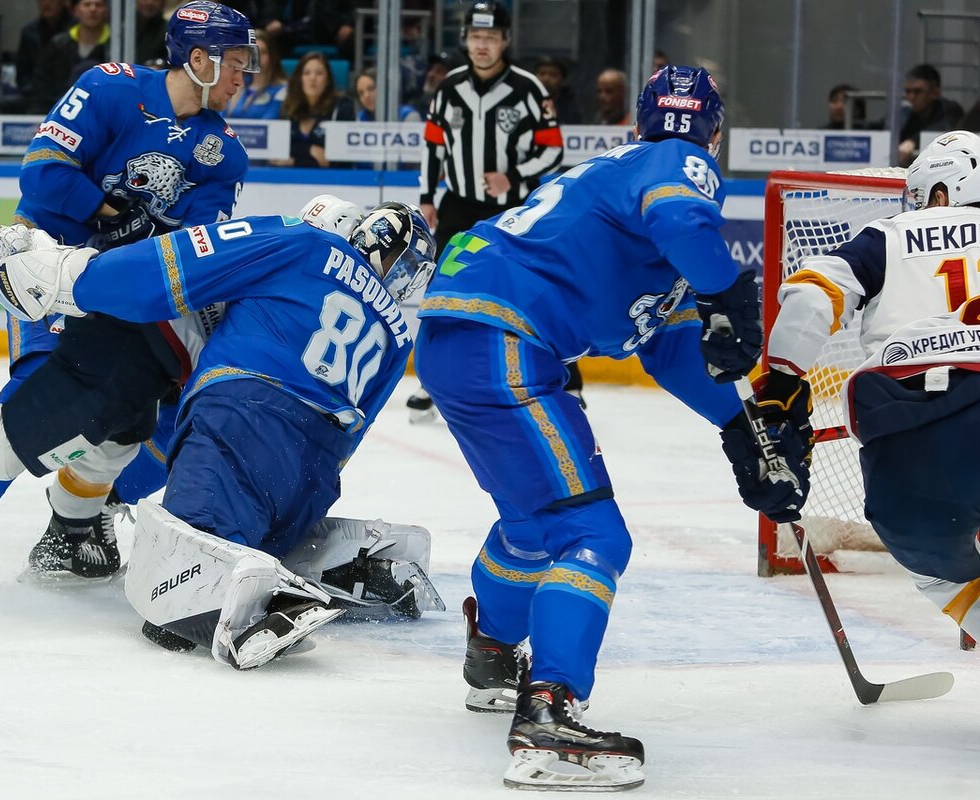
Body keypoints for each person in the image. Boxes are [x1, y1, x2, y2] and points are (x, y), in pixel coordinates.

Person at [0, 200, 442, 669]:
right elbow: (350, 432)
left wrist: (74, 274)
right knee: (0, 448)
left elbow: (174, 268)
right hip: (143, 360)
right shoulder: (384, 322)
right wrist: (67, 275)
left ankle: (80, 539)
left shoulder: (296, 245)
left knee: (118, 471)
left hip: (196, 393)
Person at [414, 66, 804, 790]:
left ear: (636, 119)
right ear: (714, 135)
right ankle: (550, 710)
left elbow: (667, 344)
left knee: (537, 521)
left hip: (461, 337)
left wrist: (743, 433)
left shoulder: (613, 179)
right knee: (592, 535)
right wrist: (734, 293)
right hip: (505, 342)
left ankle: (495, 651)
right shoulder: (673, 165)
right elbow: (683, 219)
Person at [0, 1, 258, 606]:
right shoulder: (109, 88)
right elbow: (42, 174)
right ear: (197, 60)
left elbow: (195, 250)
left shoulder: (224, 152)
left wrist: (148, 247)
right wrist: (115, 218)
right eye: (236, 65)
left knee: (148, 421)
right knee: (38, 397)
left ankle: (73, 527)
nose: (243, 79)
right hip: (48, 265)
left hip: (124, 289)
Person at [758, 130, 980, 641]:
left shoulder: (889, 236)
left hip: (912, 444)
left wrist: (782, 384)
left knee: (938, 566)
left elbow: (812, 299)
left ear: (939, 196)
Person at [410, 1, 563, 421]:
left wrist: (513, 176)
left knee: (529, 288)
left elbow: (553, 148)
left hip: (514, 208)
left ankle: (563, 375)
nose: (482, 45)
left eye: (490, 37)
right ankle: (432, 379)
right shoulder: (448, 87)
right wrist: (427, 197)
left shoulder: (529, 88)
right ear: (465, 40)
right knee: (443, 289)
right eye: (476, 37)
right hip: (457, 205)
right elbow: (433, 147)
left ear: (505, 41)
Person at [29, 0, 112, 115]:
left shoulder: (116, 44)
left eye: (98, 5)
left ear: (106, 10)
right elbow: (42, 83)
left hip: (104, 111)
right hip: (59, 111)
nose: (93, 9)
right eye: (87, 4)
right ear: (75, 10)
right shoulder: (58, 43)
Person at [274, 51, 353, 168]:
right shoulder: (288, 108)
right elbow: (276, 154)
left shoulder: (342, 108)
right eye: (306, 73)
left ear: (328, 80)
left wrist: (295, 160)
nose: (312, 78)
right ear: (300, 79)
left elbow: (337, 161)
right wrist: (309, 150)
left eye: (319, 73)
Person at [898, 64, 964, 167]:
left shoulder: (951, 109)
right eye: (908, 91)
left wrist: (913, 141)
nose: (911, 97)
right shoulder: (906, 114)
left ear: (934, 93)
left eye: (918, 91)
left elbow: (944, 130)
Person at [15, 0, 75, 112]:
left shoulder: (76, 30)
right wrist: (33, 92)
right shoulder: (29, 32)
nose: (46, 3)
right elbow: (23, 72)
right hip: (37, 97)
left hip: (69, 95)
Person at [224, 27, 286, 119]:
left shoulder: (282, 89)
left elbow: (269, 122)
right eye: (253, 52)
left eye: (262, 52)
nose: (257, 57)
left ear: (272, 56)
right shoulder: (238, 84)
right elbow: (224, 116)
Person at [533, 55, 582, 124]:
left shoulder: (571, 106)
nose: (546, 79)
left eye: (553, 74)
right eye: (542, 74)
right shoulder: (526, 100)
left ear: (562, 80)